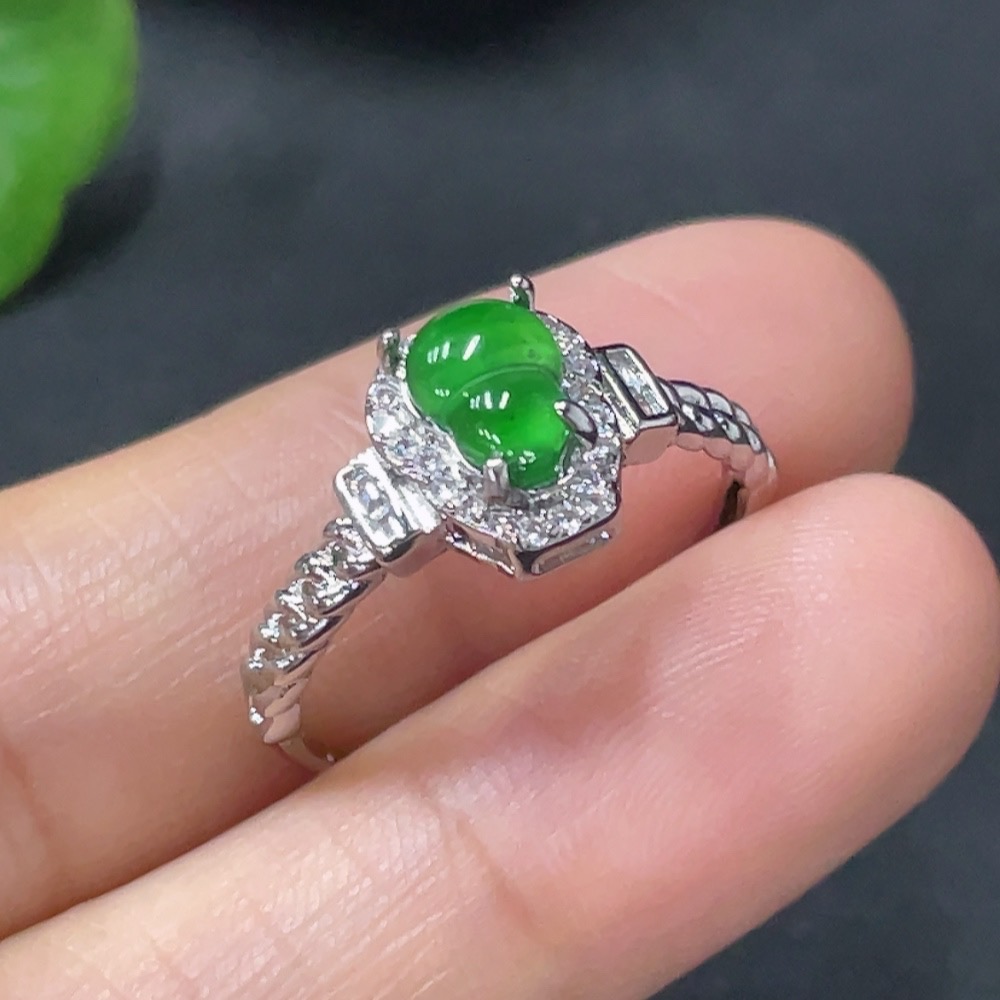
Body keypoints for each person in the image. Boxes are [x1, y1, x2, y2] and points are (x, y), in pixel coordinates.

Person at [0, 219, 996, 999]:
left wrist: (745, 489)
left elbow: (730, 445)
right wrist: (289, 729)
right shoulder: (410, 492)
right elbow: (283, 659)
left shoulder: (597, 398)